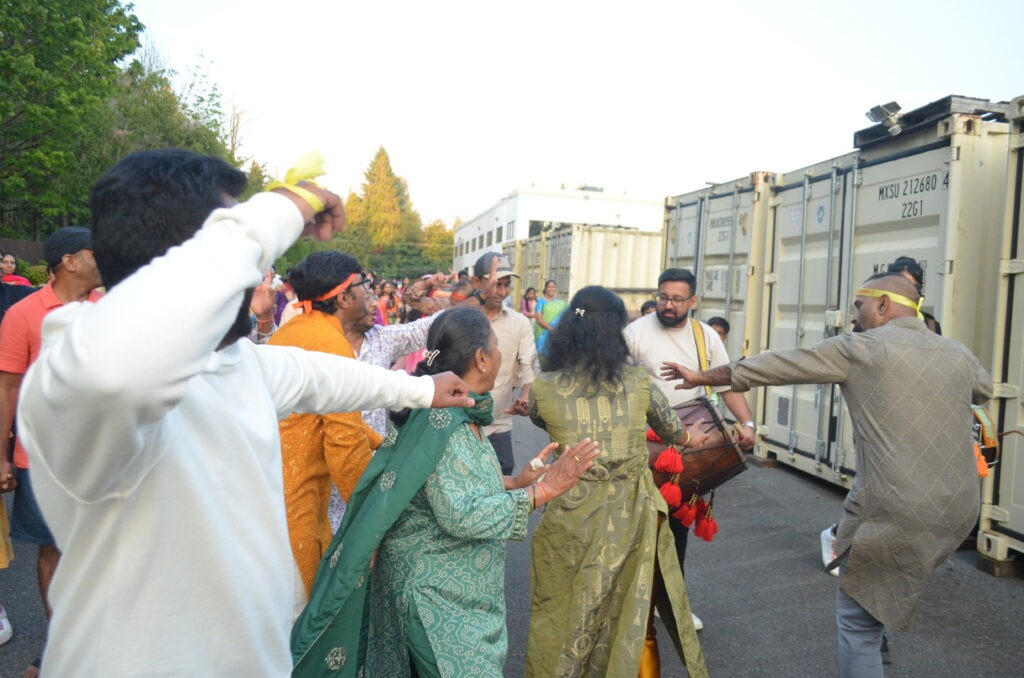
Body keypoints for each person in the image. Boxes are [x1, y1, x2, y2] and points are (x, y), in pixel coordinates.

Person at [15, 149, 475, 676]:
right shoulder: (76, 381)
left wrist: (421, 389)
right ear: (188, 261)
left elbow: (319, 377)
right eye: (244, 253)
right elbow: (120, 366)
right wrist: (283, 208)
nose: (262, 279)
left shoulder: (233, 362)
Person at [662, 272, 992, 678]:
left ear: (883, 305)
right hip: (960, 508)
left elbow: (778, 365)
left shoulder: (861, 347)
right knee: (879, 590)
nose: (854, 316)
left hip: (895, 507)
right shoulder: (955, 351)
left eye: (859, 306)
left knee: (858, 625)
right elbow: (983, 389)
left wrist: (701, 377)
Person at [291, 306, 602, 677]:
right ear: (481, 359)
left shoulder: (451, 412)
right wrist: (545, 490)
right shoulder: (444, 423)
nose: (500, 354)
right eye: (496, 346)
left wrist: (516, 482)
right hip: (437, 601)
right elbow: (461, 514)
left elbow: (438, 487)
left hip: (444, 592)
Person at [526, 286, 709, 678]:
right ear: (615, 331)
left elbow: (540, 418)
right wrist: (694, 437)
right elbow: (675, 432)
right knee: (634, 619)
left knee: (567, 615)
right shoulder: (639, 381)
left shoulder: (544, 386)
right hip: (632, 517)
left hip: (571, 518)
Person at [623, 268, 755, 631]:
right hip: (644, 445)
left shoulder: (705, 335)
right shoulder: (635, 333)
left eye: (677, 299)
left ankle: (670, 601)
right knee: (638, 527)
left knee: (675, 530)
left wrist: (747, 423)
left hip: (689, 448)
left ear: (693, 301)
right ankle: (635, 601)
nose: (668, 305)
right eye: (663, 297)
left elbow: (726, 383)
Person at [0, 226, 103, 677]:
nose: (104, 258)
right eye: (94, 253)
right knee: (53, 551)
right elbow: (7, 388)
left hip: (106, 458)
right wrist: (2, 457)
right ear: (69, 262)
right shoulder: (23, 314)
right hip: (42, 461)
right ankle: (62, 646)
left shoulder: (111, 312)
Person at [268, 251, 384, 596]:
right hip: (296, 514)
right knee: (300, 622)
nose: (369, 292)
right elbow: (345, 451)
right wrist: (372, 523)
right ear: (344, 298)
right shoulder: (332, 345)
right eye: (364, 285)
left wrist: (385, 444)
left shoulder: (291, 331)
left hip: (264, 506)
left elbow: (331, 418)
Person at [470, 252, 537, 475]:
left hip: (498, 422)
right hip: (459, 422)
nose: (501, 292)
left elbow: (528, 365)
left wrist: (525, 395)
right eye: (496, 284)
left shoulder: (519, 323)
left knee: (502, 474)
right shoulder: (461, 318)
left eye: (506, 285)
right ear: (477, 282)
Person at [534, 278, 567, 355]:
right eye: (549, 287)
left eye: (553, 287)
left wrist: (583, 312)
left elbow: (572, 310)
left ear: (556, 289)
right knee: (541, 357)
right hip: (542, 335)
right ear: (545, 289)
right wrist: (552, 330)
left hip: (555, 335)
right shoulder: (541, 302)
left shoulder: (560, 303)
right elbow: (539, 319)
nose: (551, 288)